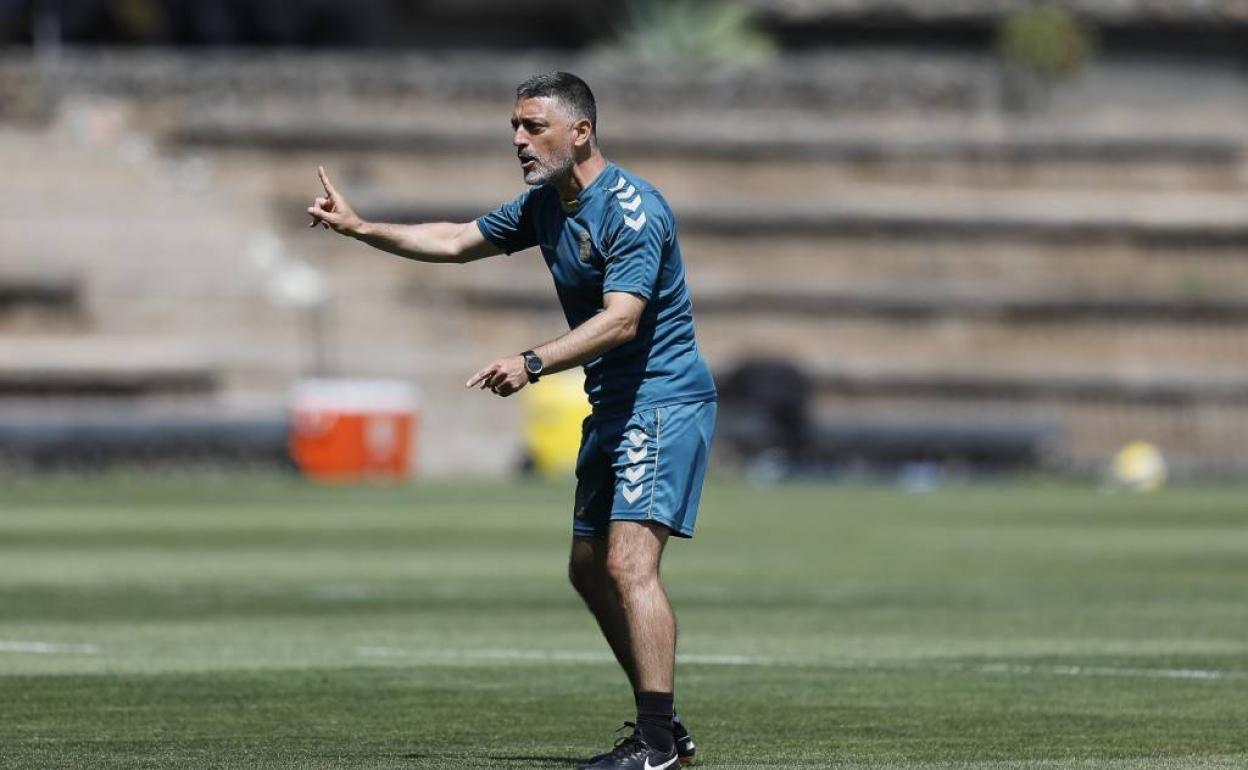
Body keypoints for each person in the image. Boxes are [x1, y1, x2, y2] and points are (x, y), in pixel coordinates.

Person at [307, 71, 716, 770]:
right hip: (612, 407)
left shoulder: (632, 208)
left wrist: (533, 361)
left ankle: (654, 748)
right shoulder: (545, 207)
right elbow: (457, 239)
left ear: (580, 131)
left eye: (533, 128)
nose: (520, 141)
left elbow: (622, 322)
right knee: (588, 570)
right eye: (515, 129)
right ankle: (665, 725)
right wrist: (362, 227)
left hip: (664, 401)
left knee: (628, 563)